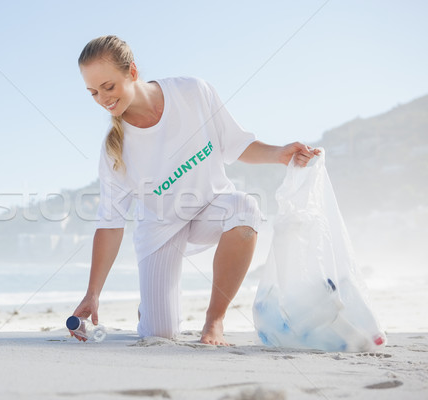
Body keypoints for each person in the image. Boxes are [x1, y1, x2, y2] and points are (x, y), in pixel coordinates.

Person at [70, 35, 320, 346]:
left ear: (132, 72)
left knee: (244, 208)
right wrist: (92, 294)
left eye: (109, 87)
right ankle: (149, 307)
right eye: (93, 92)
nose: (102, 99)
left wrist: (278, 153)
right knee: (159, 334)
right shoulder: (114, 149)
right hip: (160, 229)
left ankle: (214, 321)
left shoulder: (192, 92)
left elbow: (236, 144)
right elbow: (109, 223)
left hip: (210, 209)